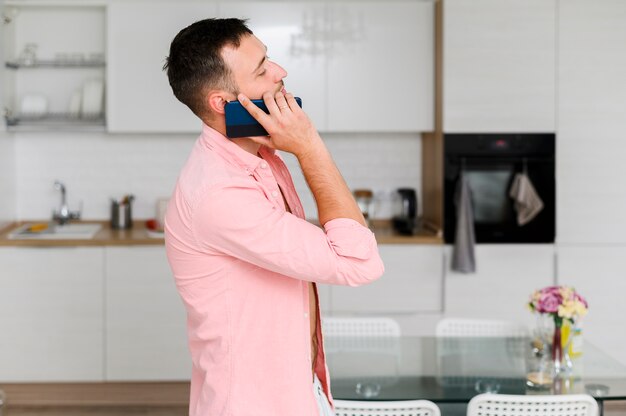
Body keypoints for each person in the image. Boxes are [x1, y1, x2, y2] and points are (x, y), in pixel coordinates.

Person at [162, 18, 384, 416]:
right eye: (262, 69)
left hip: (296, 391)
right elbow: (358, 262)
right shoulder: (221, 193)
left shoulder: (261, 158)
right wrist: (310, 146)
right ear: (222, 103)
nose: (280, 73)